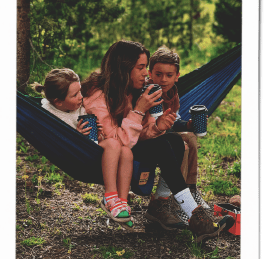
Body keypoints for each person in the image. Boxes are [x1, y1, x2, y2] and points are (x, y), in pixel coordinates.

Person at [82, 40, 234, 241]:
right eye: (141, 67)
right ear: (123, 69)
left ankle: (160, 207)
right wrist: (139, 110)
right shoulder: (98, 96)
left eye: (145, 67)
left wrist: (157, 127)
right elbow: (118, 142)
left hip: (129, 146)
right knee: (164, 144)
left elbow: (139, 134)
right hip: (110, 154)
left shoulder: (130, 90)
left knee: (174, 141)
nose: (146, 74)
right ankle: (196, 216)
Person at [33, 68, 134, 229]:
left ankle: (121, 203)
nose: (81, 97)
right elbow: (60, 142)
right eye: (75, 95)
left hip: (91, 149)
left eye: (80, 91)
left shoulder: (79, 106)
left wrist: (98, 132)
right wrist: (76, 135)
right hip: (77, 154)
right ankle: (110, 197)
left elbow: (95, 139)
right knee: (114, 144)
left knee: (127, 152)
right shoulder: (48, 114)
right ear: (58, 101)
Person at [146, 46, 210, 227]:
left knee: (191, 138)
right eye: (158, 74)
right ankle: (166, 200)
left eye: (169, 75)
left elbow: (173, 122)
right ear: (150, 73)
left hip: (164, 132)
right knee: (183, 145)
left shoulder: (173, 94)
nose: (163, 79)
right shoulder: (149, 92)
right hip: (149, 137)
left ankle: (190, 188)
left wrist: (188, 125)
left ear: (177, 76)